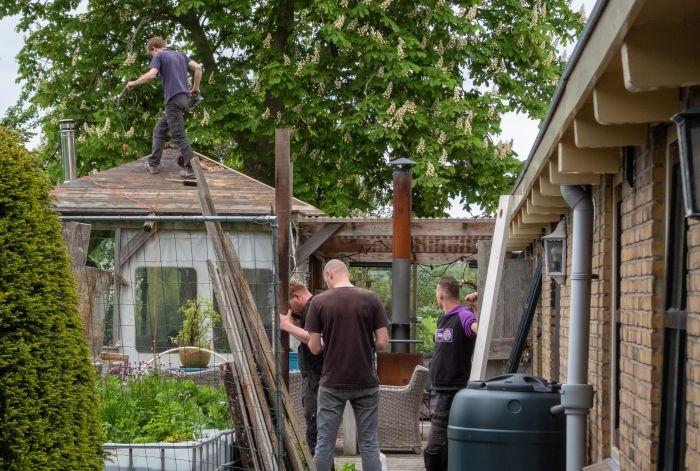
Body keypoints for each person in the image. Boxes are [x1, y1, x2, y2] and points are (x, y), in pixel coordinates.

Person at [305, 259, 389, 471]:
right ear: (347, 273)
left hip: (332, 382)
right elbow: (382, 342)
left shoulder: (319, 302)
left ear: (329, 275)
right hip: (366, 381)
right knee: (369, 443)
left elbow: (314, 347)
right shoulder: (371, 299)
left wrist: (331, 343)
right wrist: (363, 344)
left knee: (325, 444)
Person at [126, 36, 202, 178]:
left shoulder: (159, 55)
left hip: (173, 101)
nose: (152, 56)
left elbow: (151, 75)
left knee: (178, 136)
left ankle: (193, 169)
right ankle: (153, 164)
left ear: (153, 48)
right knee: (159, 130)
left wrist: (133, 83)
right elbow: (198, 68)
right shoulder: (180, 55)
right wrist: (195, 88)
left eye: (151, 54)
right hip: (184, 99)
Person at [424, 277, 478, 471]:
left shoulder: (464, 315)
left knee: (433, 446)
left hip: (452, 388)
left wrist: (476, 307)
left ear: (441, 294)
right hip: (438, 388)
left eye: (436, 292)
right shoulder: (443, 317)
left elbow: (478, 329)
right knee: (444, 443)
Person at [279, 280, 325, 455]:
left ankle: (317, 465)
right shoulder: (312, 308)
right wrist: (293, 324)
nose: (290, 310)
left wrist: (287, 326)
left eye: (289, 305)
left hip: (317, 378)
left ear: (296, 296)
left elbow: (316, 341)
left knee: (315, 430)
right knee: (316, 428)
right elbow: (309, 337)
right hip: (314, 377)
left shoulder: (313, 307)